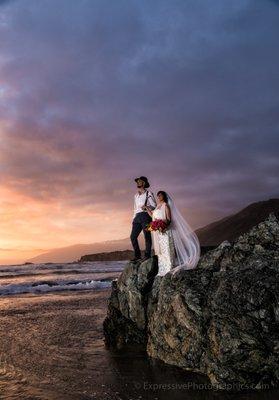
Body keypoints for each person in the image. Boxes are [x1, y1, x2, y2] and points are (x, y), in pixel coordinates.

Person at [144, 191, 200, 275]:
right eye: (158, 195)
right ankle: (162, 268)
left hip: (165, 231)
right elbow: (153, 216)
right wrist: (147, 209)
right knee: (161, 251)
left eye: (160, 195)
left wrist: (162, 226)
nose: (158, 197)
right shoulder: (157, 207)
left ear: (164, 196)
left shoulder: (166, 205)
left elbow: (169, 219)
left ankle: (169, 267)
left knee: (167, 249)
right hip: (159, 233)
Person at [130, 176, 157, 262]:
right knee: (133, 237)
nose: (138, 183)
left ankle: (147, 255)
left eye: (139, 181)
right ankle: (137, 255)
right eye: (137, 181)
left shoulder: (149, 193)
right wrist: (133, 218)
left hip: (145, 216)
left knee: (147, 236)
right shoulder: (136, 196)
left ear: (144, 183)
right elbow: (135, 208)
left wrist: (146, 206)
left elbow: (154, 206)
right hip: (137, 217)